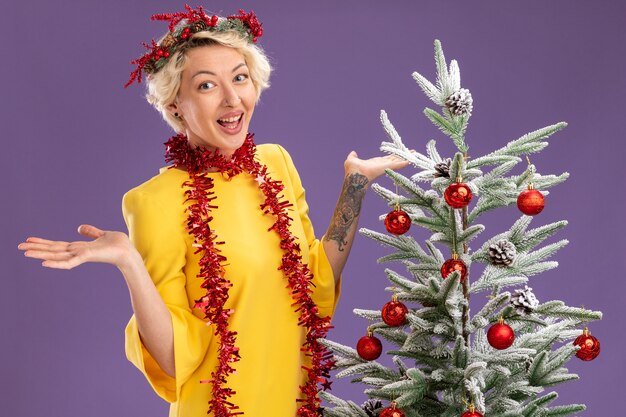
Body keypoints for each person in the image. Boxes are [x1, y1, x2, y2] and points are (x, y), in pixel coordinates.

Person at [18, 6, 409, 417]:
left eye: (240, 78)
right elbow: (172, 358)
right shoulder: (153, 201)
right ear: (175, 106)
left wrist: (355, 185)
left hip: (295, 402)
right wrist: (128, 262)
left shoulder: (276, 163)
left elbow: (316, 283)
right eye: (206, 85)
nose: (232, 98)